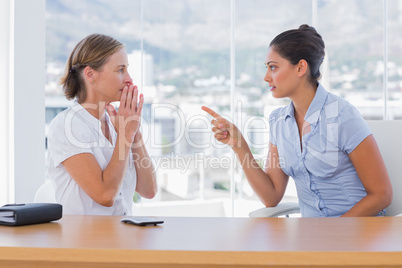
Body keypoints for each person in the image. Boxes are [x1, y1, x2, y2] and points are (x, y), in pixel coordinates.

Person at [202, 24, 392, 217]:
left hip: (358, 233)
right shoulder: (279, 122)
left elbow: (381, 195)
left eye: (273, 67)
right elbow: (271, 196)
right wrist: (239, 145)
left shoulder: (343, 116)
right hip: (313, 237)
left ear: (301, 67)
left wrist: (334, 232)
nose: (266, 77)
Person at [47, 34, 157, 215]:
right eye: (120, 70)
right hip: (83, 240)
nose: (129, 79)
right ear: (90, 74)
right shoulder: (67, 125)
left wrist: (134, 133)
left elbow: (148, 190)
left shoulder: (117, 123)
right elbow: (105, 195)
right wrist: (125, 136)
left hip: (121, 237)